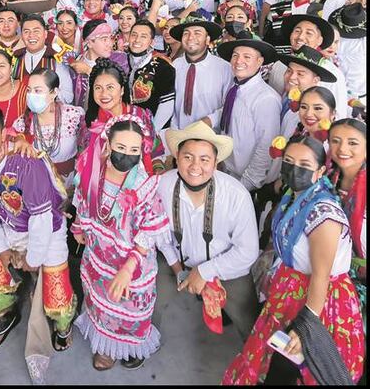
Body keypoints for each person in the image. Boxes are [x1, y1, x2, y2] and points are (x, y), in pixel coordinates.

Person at [223, 136, 364, 385]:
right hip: (291, 293)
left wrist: (306, 326)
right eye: (288, 161)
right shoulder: (296, 197)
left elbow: (321, 275)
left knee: (299, 369)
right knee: (274, 362)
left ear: (320, 171)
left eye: (304, 164)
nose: (294, 168)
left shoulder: (324, 213)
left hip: (319, 303)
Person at [0, 103, 77, 364]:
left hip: (47, 232)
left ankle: (63, 328)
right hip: (11, 229)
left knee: (56, 296)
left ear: (3, 132)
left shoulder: (26, 163)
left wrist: (33, 259)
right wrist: (2, 249)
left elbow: (41, 219)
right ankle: (7, 316)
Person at [72, 117, 173, 371]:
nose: (126, 155)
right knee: (101, 303)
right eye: (121, 148)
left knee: (129, 310)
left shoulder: (145, 187)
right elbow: (82, 203)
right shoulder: (92, 173)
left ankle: (131, 345)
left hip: (132, 264)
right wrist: (78, 226)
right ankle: (107, 347)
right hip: (98, 258)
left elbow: (149, 234)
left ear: (142, 151)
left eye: (134, 150)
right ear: (107, 145)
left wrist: (128, 269)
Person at [156, 122, 260, 334]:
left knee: (250, 323)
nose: (195, 167)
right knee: (148, 296)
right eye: (187, 157)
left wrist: (205, 271)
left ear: (216, 163)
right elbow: (156, 231)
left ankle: (257, 363)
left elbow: (247, 251)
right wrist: (177, 269)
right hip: (176, 262)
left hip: (226, 269)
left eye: (204, 159)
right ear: (177, 157)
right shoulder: (161, 185)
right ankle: (142, 341)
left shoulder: (236, 195)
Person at [207, 32, 282, 193]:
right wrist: (208, 120)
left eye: (247, 57)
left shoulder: (265, 98)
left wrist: (246, 185)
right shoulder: (235, 88)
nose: (239, 61)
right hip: (225, 171)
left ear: (259, 61)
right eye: (235, 56)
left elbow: (265, 147)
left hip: (244, 181)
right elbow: (229, 111)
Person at [80, 58, 160, 175]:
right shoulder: (89, 121)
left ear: (122, 90)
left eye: (110, 87)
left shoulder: (140, 116)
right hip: (100, 184)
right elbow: (83, 159)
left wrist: (158, 168)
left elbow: (156, 150)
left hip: (138, 181)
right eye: (98, 88)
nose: (104, 94)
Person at [11, 68, 86, 188]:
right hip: (37, 186)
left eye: (38, 91)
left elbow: (86, 148)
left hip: (70, 184)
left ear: (54, 93)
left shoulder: (73, 115)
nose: (31, 95)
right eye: (29, 90)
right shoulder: (22, 124)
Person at [328, 118, 365, 329]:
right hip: (332, 272)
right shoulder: (328, 178)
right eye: (336, 141)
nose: (342, 149)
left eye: (353, 143)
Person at [170, 19, 231, 130]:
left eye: (197, 33)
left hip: (211, 135)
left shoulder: (224, 68)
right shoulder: (175, 66)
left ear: (207, 40)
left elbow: (229, 104)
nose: (190, 38)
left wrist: (209, 121)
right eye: (186, 33)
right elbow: (170, 102)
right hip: (178, 135)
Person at [126, 20, 175, 149]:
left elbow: (167, 105)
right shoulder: (119, 61)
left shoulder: (163, 67)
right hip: (124, 131)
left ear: (152, 42)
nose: (137, 40)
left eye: (143, 36)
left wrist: (150, 134)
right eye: (134, 35)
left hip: (154, 133)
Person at [12, 13, 74, 104]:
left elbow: (68, 96)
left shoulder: (57, 58)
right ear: (21, 36)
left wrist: (44, 96)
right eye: (26, 31)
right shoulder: (15, 58)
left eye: (36, 31)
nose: (31, 35)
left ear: (45, 34)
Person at [69, 19, 127, 109]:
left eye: (110, 38)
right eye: (104, 39)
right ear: (90, 43)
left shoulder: (120, 59)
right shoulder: (77, 62)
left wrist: (88, 70)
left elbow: (120, 86)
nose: (110, 44)